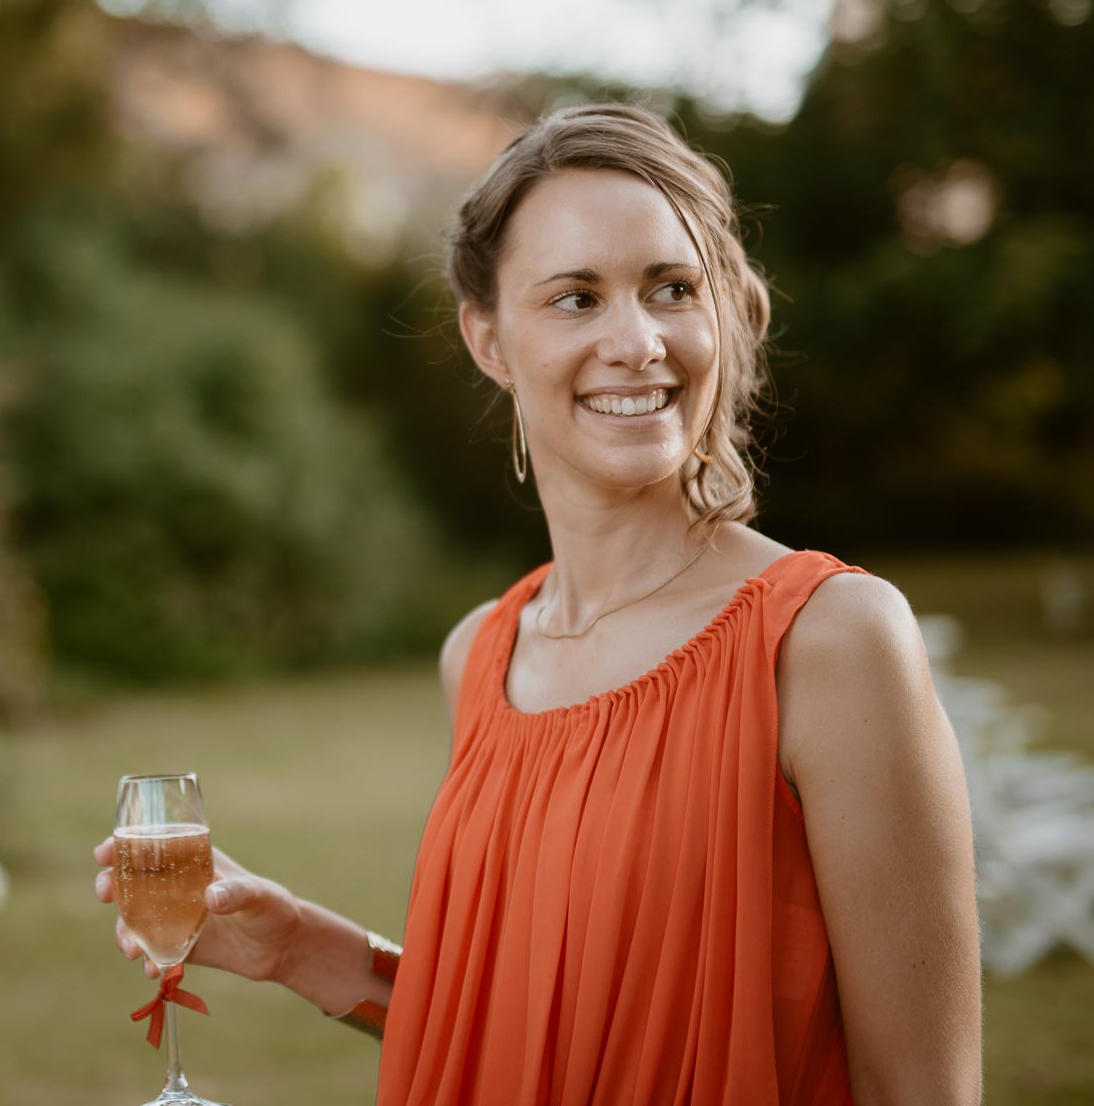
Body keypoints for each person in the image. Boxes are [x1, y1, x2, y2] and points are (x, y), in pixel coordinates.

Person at [94, 104, 982, 1103]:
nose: (635, 339)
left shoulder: (827, 638)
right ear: (489, 340)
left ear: (721, 312)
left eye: (669, 288)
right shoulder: (477, 654)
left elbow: (921, 1088)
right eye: (575, 298)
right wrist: (299, 944)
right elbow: (519, 1028)